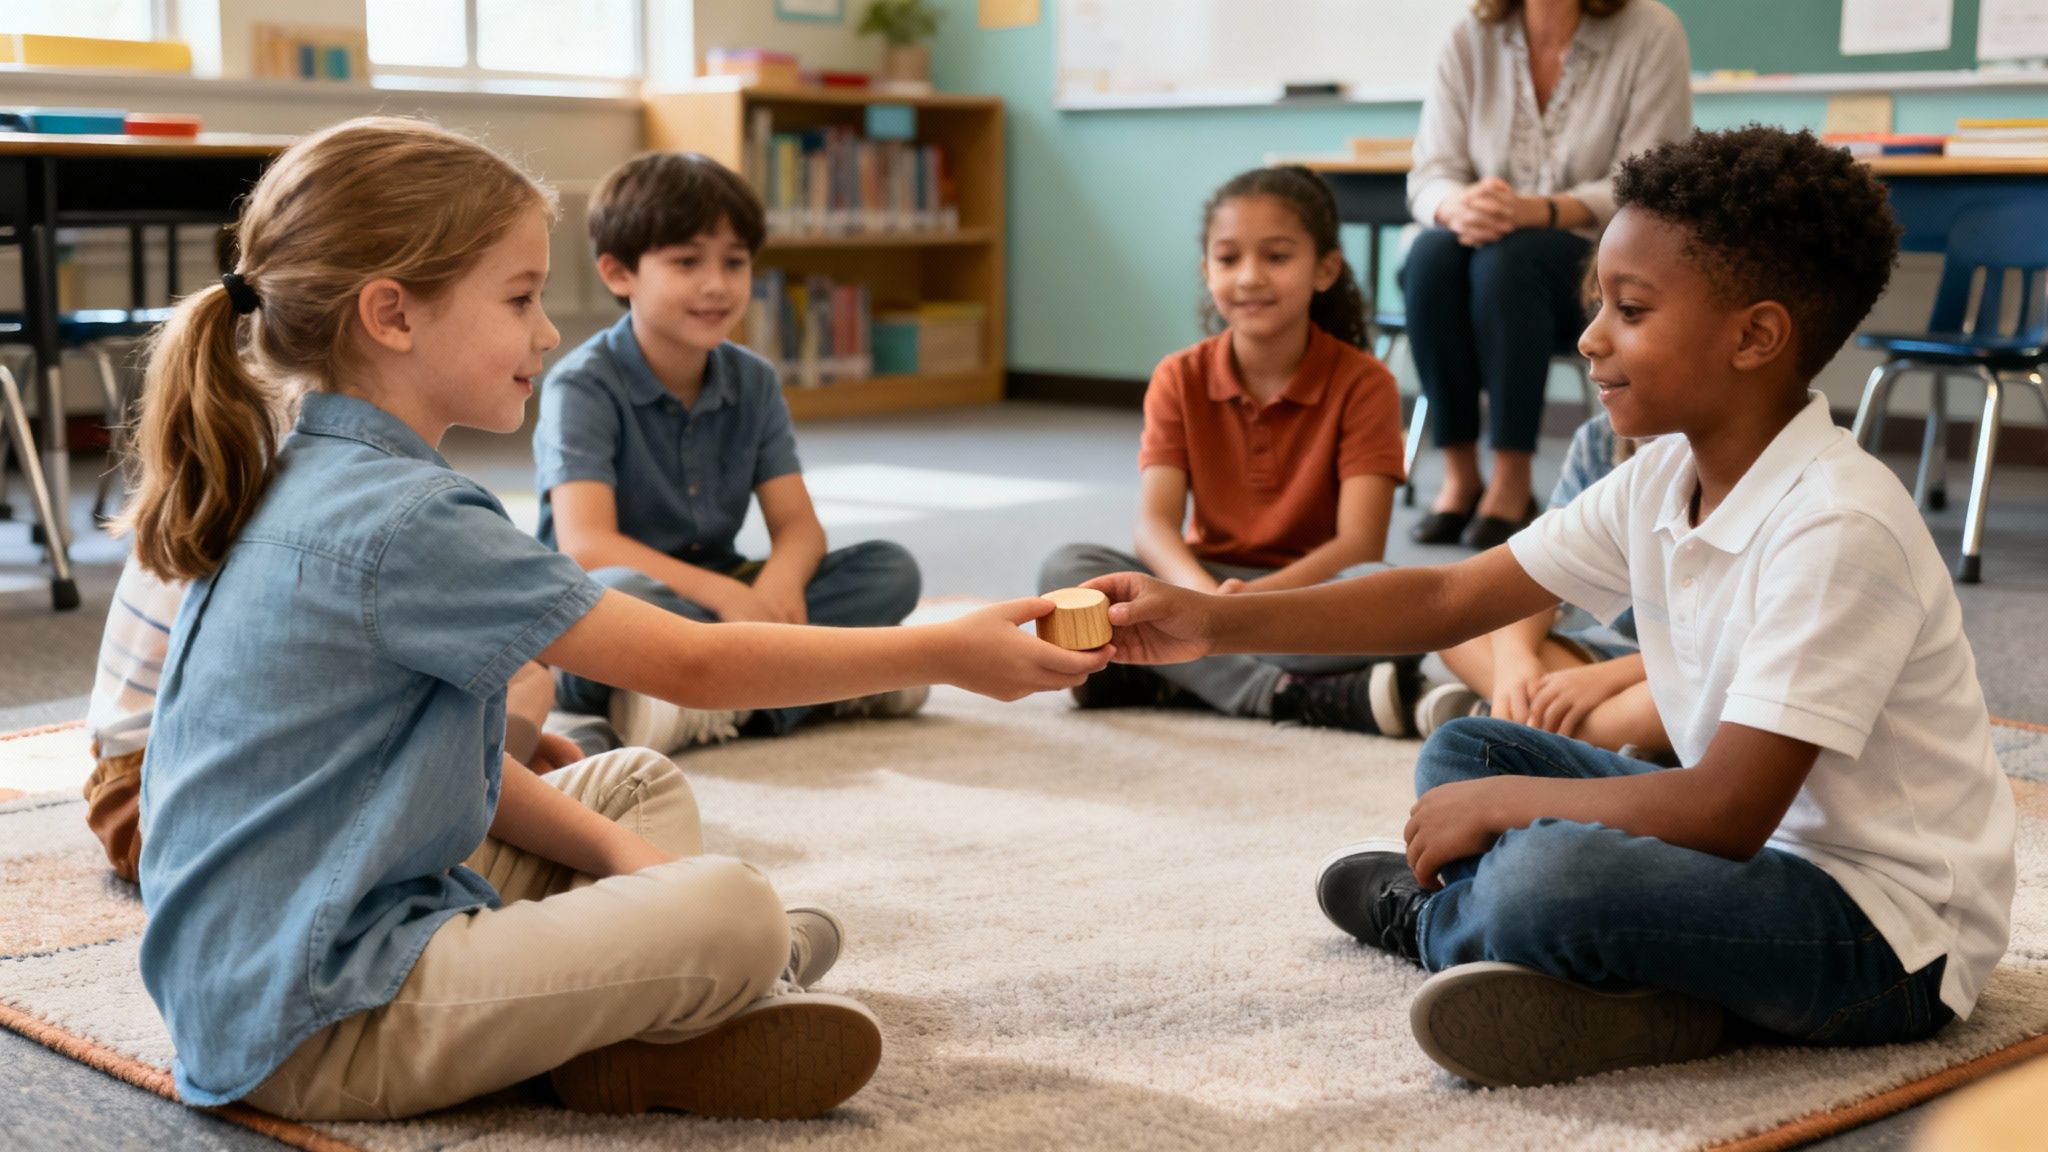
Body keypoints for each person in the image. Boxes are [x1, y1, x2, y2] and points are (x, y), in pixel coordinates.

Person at [123, 116, 1108, 1123]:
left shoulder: (324, 473)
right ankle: (681, 994)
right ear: (391, 315)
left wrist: (632, 870)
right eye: (519, 299)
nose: (548, 332)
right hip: (317, 1022)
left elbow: (398, 775)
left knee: (629, 782)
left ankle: (633, 1037)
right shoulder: (402, 516)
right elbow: (694, 666)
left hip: (310, 932)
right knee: (734, 909)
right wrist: (948, 649)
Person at [1086, 127, 2014, 1088]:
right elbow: (1450, 595)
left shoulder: (1838, 526)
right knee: (1469, 751)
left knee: (1547, 873)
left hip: (1887, 939)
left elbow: (1728, 809)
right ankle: (1646, 996)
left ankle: (1442, 924)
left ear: (1756, 335)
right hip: (1756, 867)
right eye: (1597, 305)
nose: (1591, 338)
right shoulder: (1661, 476)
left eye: (1631, 310)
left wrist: (1511, 811)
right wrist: (1211, 617)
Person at [534, 152, 924, 753]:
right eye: (687, 262)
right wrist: (730, 599)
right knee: (620, 596)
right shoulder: (582, 384)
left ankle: (714, 701)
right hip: (621, 603)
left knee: (889, 570)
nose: (716, 284)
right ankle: (820, 685)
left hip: (717, 592)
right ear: (618, 273)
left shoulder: (755, 380)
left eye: (735, 262)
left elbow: (798, 527)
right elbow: (588, 547)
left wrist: (777, 586)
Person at [1039, 165, 1419, 734]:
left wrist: (1235, 613)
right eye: (1228, 258)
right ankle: (1277, 694)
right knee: (1069, 573)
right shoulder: (1178, 377)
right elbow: (1155, 528)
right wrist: (1200, 601)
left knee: (1397, 604)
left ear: (1325, 269)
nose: (1248, 277)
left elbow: (1359, 544)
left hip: (1308, 594)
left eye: (1276, 256)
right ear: (1206, 271)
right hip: (1203, 581)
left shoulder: (1367, 384)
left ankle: (1169, 674)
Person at [82, 554, 583, 883]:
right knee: (526, 680)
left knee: (514, 678)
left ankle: (501, 760)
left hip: (153, 768)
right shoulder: (301, 506)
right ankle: (501, 766)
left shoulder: (254, 463)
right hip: (165, 799)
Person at [1403, 0, 1691, 549]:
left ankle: (1512, 482)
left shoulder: (1652, 31)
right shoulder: (1469, 37)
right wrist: (1459, 205)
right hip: (1481, 244)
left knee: (1510, 260)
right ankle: (1460, 478)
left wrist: (1545, 210)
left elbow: (1652, 179)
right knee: (1430, 256)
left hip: (1588, 260)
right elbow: (1431, 175)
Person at [1412, 410, 1667, 760]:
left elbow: (1726, 653)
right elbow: (1535, 575)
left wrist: (1604, 679)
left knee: (1683, 697)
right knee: (1458, 629)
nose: (1589, 350)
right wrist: (1514, 664)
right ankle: (1574, 735)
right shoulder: (1597, 439)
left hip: (1685, 671)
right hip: (1617, 648)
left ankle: (1515, 730)